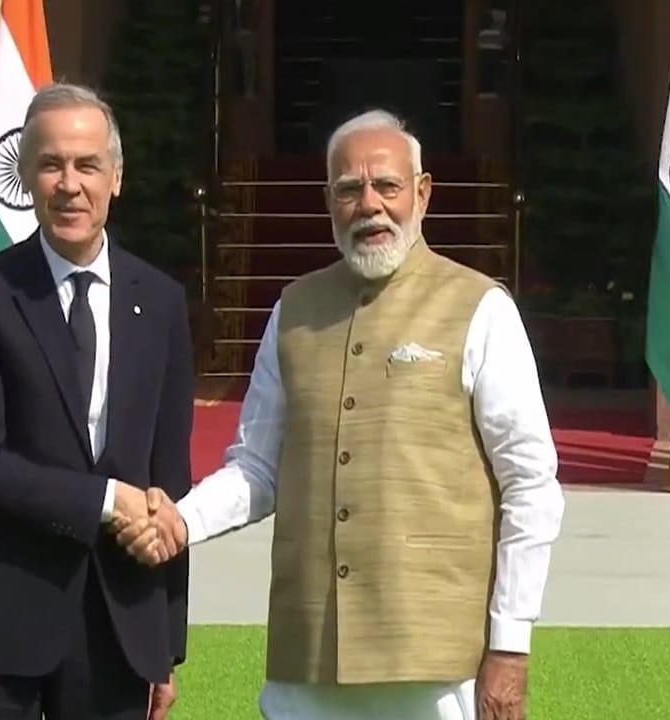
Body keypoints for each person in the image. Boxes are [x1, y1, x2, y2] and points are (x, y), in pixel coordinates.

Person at [116, 109, 566, 720]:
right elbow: (257, 468)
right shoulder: (293, 310)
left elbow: (530, 485)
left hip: (436, 663)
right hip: (310, 659)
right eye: (350, 189)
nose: (370, 205)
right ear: (328, 201)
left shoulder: (481, 308)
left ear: (422, 194)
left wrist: (510, 642)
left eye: (387, 186)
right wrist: (180, 521)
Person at [0, 83, 194, 720]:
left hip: (119, 633)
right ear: (25, 177)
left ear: (116, 177)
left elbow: (166, 486)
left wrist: (164, 644)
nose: (70, 185)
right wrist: (107, 501)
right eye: (51, 165)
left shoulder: (161, 303)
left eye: (87, 165)